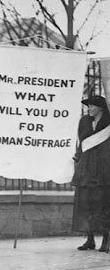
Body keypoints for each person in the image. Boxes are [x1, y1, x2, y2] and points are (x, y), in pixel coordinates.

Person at [72, 95, 110, 253]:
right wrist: (78, 157)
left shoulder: (108, 123)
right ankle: (90, 239)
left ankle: (106, 241)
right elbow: (82, 142)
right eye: (88, 106)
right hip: (86, 168)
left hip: (104, 169)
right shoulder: (84, 122)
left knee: (103, 205)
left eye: (92, 106)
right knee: (85, 204)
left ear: (100, 108)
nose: (89, 109)